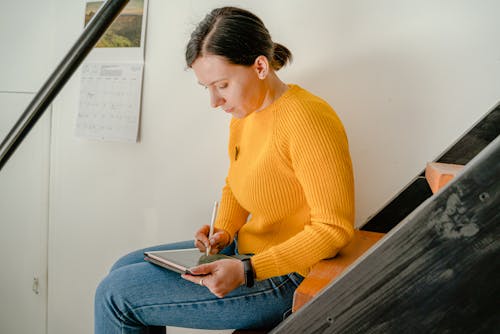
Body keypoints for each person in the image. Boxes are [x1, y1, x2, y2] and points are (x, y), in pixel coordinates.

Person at [94, 6, 354, 333]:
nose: (214, 101)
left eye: (222, 85)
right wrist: (224, 231)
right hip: (246, 251)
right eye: (207, 88)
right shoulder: (243, 116)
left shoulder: (307, 119)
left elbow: (334, 228)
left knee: (115, 295)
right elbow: (235, 184)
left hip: (287, 274)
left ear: (260, 66)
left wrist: (248, 271)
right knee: (123, 267)